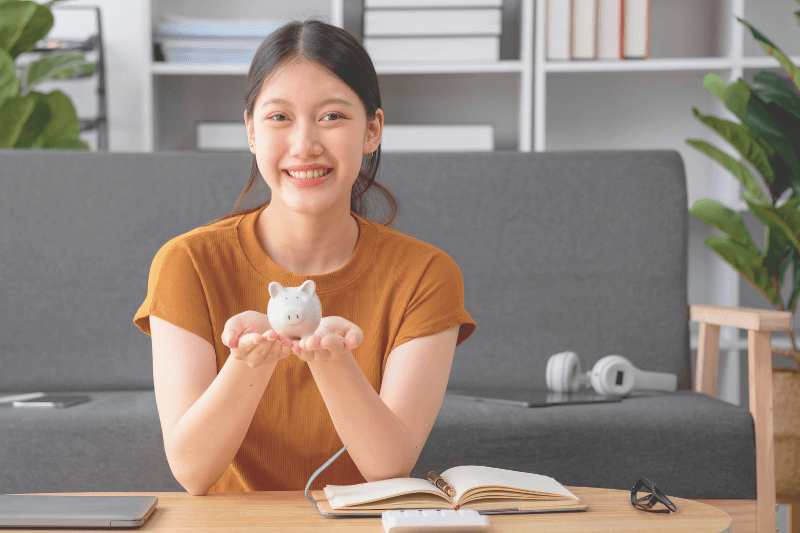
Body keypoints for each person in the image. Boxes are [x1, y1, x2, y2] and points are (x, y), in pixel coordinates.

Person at [133, 18, 476, 496]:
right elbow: (192, 471)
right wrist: (250, 361)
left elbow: (388, 466)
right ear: (251, 132)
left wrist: (332, 360)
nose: (305, 145)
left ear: (372, 130)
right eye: (279, 118)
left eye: (332, 116)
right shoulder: (186, 264)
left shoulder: (426, 276)